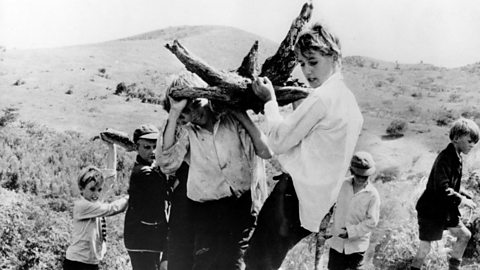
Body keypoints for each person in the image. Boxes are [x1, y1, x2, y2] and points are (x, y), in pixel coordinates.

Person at [246, 22, 364, 269]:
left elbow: (278, 141)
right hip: (315, 205)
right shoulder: (348, 102)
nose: (307, 70)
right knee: (268, 260)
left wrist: (270, 101)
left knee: (258, 261)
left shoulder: (322, 98)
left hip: (292, 196)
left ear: (333, 57)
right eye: (302, 63)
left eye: (313, 62)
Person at [157, 71, 272, 270]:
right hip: (206, 213)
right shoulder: (188, 133)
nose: (193, 114)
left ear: (206, 95)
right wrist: (175, 113)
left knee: (236, 264)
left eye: (195, 104)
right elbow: (166, 163)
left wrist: (239, 113)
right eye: (185, 112)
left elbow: (266, 151)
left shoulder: (230, 121)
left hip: (241, 208)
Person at [411, 118, 479, 270]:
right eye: (469, 140)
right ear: (456, 138)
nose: (472, 145)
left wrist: (464, 193)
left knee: (464, 235)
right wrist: (461, 200)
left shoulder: (457, 157)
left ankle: (453, 268)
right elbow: (443, 188)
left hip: (444, 209)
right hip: (430, 210)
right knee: (425, 248)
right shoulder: (445, 158)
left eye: (475, 142)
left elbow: (450, 185)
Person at [64, 143, 129, 270]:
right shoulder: (82, 206)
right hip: (77, 263)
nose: (96, 194)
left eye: (99, 190)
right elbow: (113, 208)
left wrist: (112, 146)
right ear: (81, 189)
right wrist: (132, 196)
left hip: (90, 262)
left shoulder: (94, 200)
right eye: (92, 189)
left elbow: (110, 179)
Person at [124, 124, 169, 270]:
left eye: (156, 146)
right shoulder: (144, 173)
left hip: (146, 237)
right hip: (142, 238)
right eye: (147, 147)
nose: (153, 151)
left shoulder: (149, 169)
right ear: (136, 147)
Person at [327, 151, 380, 270]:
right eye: (358, 175)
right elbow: (329, 205)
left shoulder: (372, 194)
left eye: (365, 176)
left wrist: (351, 232)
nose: (361, 179)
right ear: (352, 172)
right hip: (337, 243)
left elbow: (372, 222)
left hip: (357, 246)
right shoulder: (342, 185)